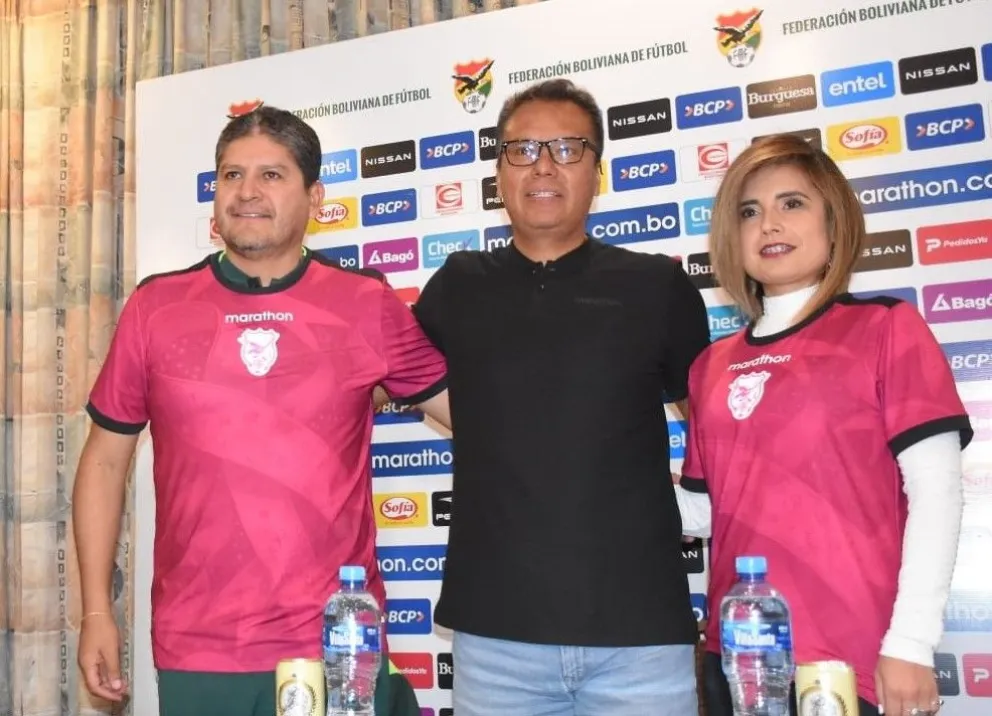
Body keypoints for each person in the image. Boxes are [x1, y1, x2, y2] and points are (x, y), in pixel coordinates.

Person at [73, 106, 449, 716]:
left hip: (337, 646)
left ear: (316, 196)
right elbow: (102, 464)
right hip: (200, 648)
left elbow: (479, 417)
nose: (247, 192)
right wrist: (95, 611)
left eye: (272, 175)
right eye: (231, 175)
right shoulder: (155, 308)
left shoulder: (365, 304)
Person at [411, 78, 711, 715]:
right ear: (498, 172)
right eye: (522, 150)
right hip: (497, 642)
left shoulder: (657, 285)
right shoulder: (458, 285)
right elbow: (381, 372)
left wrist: (698, 513)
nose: (543, 165)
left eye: (568, 148)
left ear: (597, 171)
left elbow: (718, 431)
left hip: (640, 640)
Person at [673, 134, 972, 716]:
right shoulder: (711, 366)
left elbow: (937, 493)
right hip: (735, 659)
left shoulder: (886, 328)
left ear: (835, 224)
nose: (769, 225)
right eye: (749, 211)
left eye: (793, 203)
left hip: (850, 660)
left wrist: (911, 643)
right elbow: (707, 512)